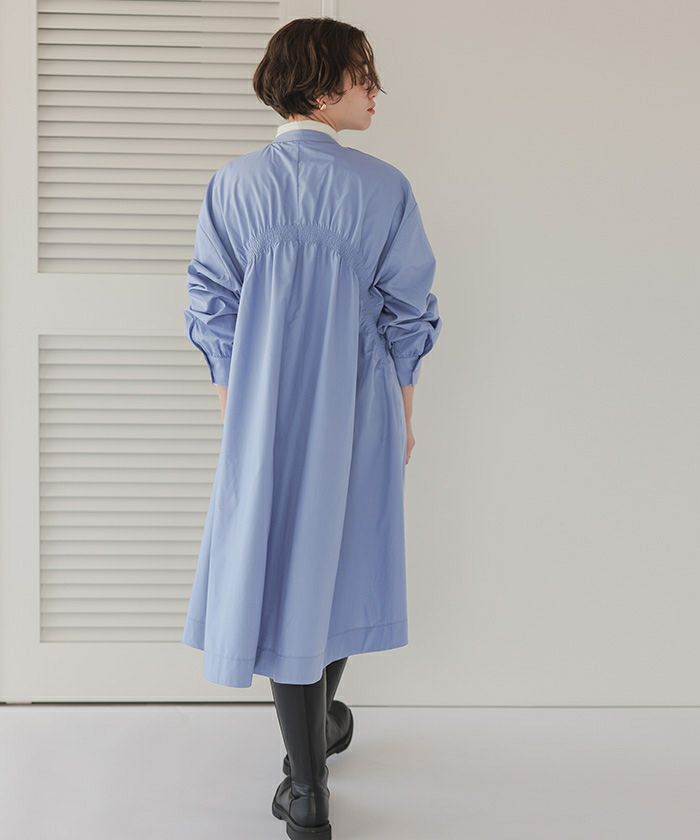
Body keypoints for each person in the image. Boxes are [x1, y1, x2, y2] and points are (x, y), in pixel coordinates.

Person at [181, 16, 442, 839]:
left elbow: (210, 308)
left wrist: (237, 416)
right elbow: (409, 313)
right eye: (363, 75)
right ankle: (310, 774)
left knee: (285, 572)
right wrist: (404, 417)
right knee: (338, 561)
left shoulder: (232, 184)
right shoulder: (384, 188)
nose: (375, 91)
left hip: (261, 413)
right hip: (358, 408)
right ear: (322, 85)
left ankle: (311, 759)